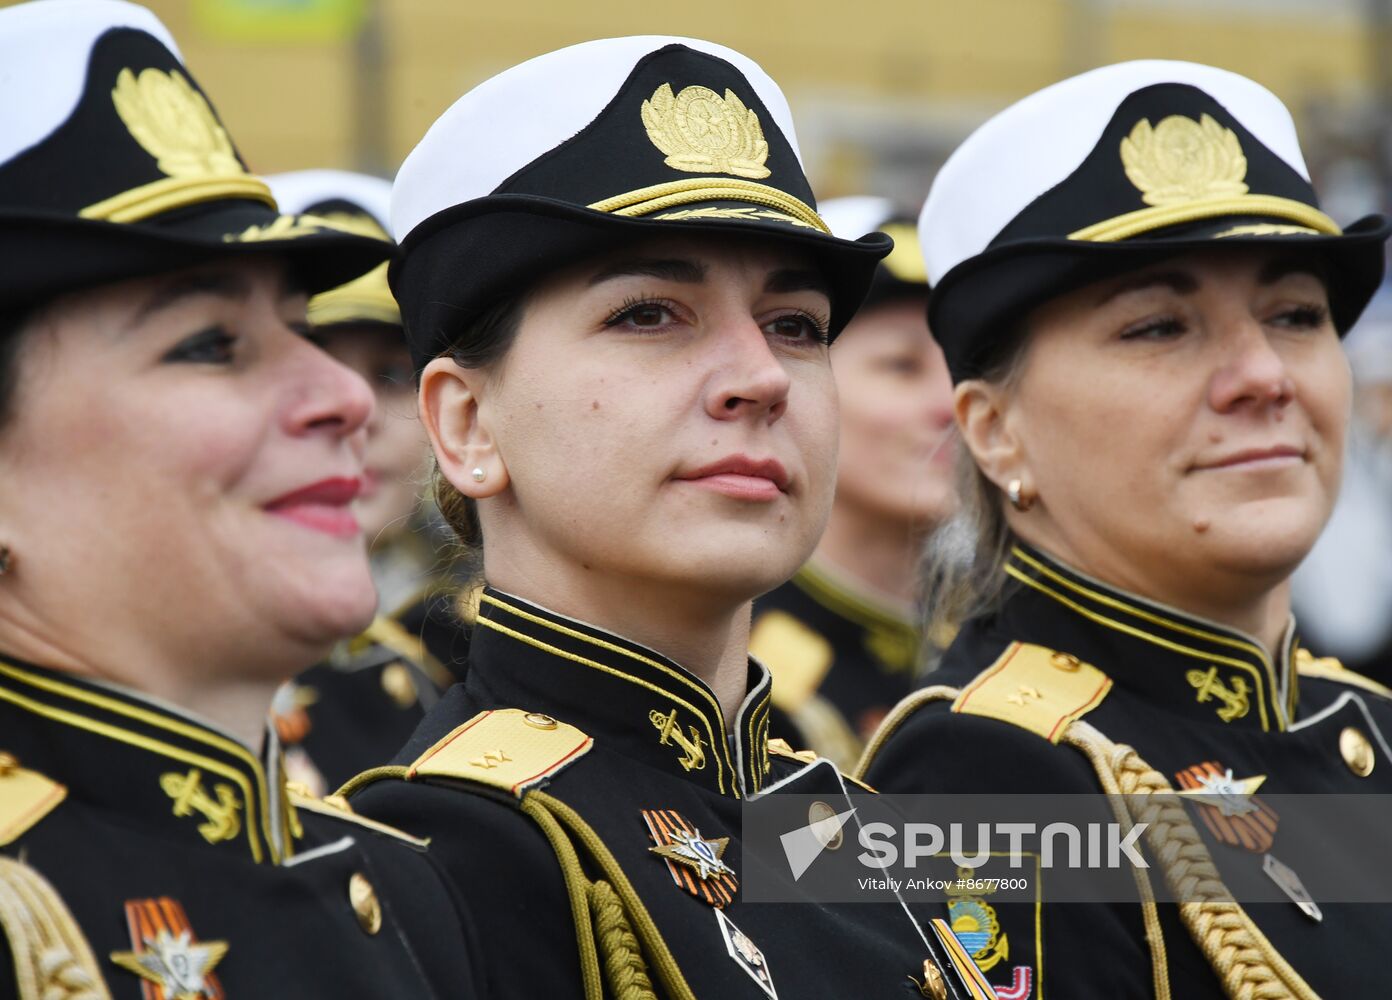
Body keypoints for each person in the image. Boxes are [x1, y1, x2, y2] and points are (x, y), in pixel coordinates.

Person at [343, 36, 989, 999]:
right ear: (467, 424)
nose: (762, 377)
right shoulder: (443, 861)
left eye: (796, 326)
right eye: (649, 314)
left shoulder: (840, 827)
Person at [857, 60, 1392, 998]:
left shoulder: (1365, 725)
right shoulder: (985, 774)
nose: (1262, 375)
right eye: (1159, 328)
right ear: (995, 430)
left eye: (1296, 315)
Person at [0, 3, 470, 997]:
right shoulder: (481, 830)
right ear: (472, 420)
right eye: (211, 344)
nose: (347, 398)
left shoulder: (397, 879)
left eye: (796, 326)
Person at [265, 170, 458, 792]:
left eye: (392, 375)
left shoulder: (489, 645)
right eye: (304, 365)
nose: (354, 413)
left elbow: (770, 884)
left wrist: (776, 880)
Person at [750, 195, 955, 769]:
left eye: (965, 364)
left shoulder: (1004, 636)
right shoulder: (739, 668)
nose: (953, 406)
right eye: (902, 366)